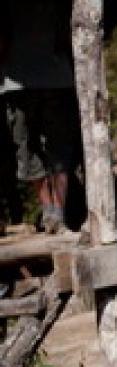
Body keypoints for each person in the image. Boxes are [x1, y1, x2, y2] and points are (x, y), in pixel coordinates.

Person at [0, 0, 82, 234]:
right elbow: (68, 34)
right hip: (54, 77)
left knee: (26, 148)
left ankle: (51, 211)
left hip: (20, 80)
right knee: (58, 148)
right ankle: (56, 212)